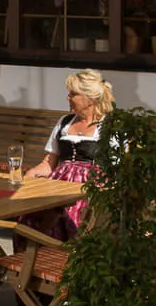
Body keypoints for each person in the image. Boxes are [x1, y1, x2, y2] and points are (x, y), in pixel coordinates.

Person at [20, 69, 112, 239]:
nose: (68, 97)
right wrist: (31, 174)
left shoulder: (110, 127)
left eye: (73, 94)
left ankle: (65, 260)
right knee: (30, 215)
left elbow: (116, 169)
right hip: (58, 184)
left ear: (89, 98)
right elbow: (49, 162)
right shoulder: (64, 122)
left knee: (71, 216)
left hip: (89, 188)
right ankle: (33, 261)